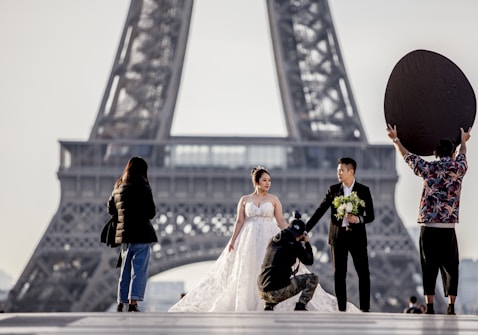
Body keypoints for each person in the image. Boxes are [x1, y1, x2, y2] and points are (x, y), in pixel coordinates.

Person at [168, 166, 358, 312]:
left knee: (265, 263)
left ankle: (266, 301)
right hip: (248, 236)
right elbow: (239, 221)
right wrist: (233, 241)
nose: (268, 183)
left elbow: (281, 220)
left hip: (269, 234)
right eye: (265, 180)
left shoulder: (274, 199)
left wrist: (295, 236)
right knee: (248, 268)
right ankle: (257, 300)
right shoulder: (244, 200)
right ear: (256, 182)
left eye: (270, 180)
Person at [387, 124, 471, 315]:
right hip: (448, 226)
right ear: (452, 153)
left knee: (428, 266)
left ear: (435, 153)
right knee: (451, 267)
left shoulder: (429, 168)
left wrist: (395, 139)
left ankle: (430, 306)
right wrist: (463, 141)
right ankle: (451, 306)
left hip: (428, 225)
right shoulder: (458, 168)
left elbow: (408, 157)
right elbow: (463, 155)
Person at [306, 157, 375, 312]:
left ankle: (365, 309)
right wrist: (305, 229)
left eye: (341, 170)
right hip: (338, 237)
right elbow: (319, 211)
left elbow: (370, 215)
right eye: (337, 171)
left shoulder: (363, 190)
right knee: (339, 274)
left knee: (363, 274)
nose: (338, 173)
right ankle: (341, 309)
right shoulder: (333, 190)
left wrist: (357, 219)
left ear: (351, 171)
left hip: (357, 237)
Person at [108, 156, 158, 312]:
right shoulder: (144, 188)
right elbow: (151, 213)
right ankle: (133, 303)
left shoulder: (118, 187)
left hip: (125, 237)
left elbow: (111, 209)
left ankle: (120, 302)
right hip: (142, 235)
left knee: (125, 270)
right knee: (139, 271)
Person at [257, 212, 319, 311]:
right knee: (313, 278)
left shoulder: (273, 240)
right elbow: (309, 260)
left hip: (261, 290)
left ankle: (268, 305)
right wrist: (307, 243)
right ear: (301, 235)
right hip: (277, 293)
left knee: (274, 275)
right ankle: (301, 306)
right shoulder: (295, 245)